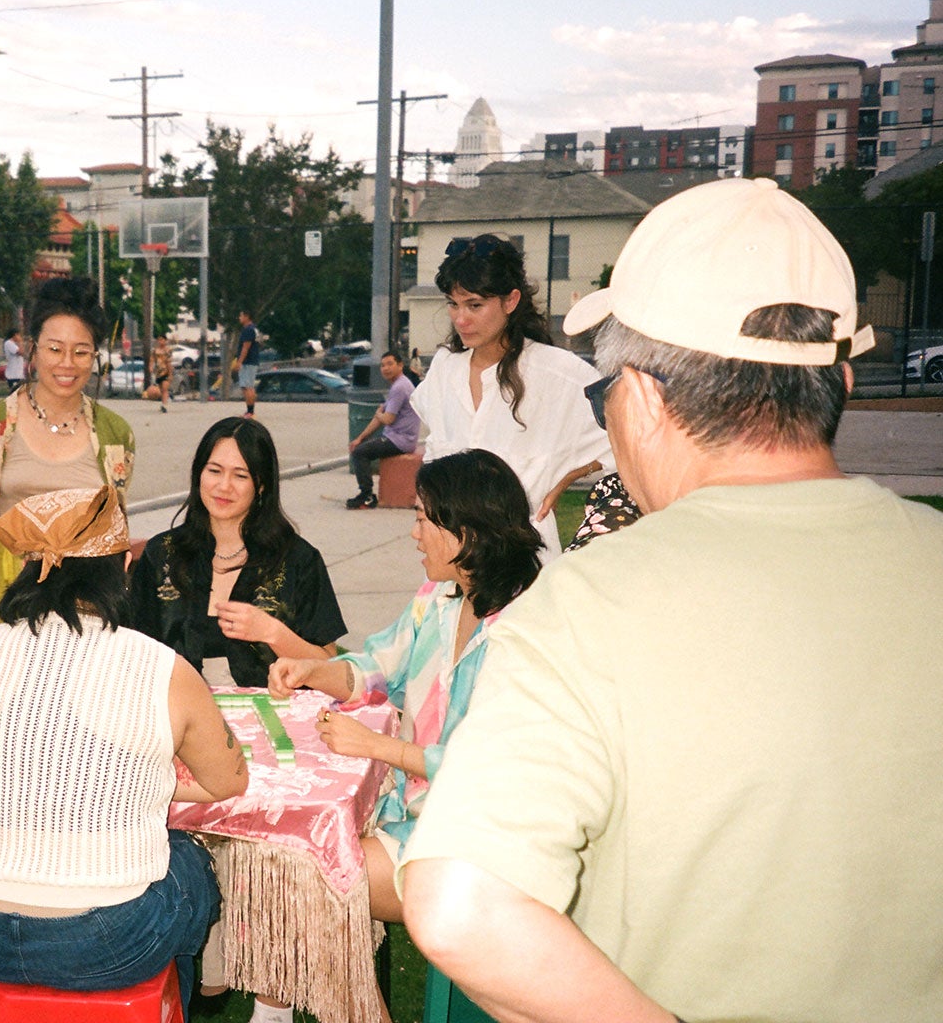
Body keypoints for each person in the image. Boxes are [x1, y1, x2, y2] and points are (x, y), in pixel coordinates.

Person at [401, 178, 943, 1022]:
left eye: (604, 396)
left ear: (643, 400)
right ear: (840, 376)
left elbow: (461, 903)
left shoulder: (578, 611)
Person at [0, 486, 248, 1003]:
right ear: (123, 566)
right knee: (188, 860)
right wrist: (148, 782)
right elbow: (227, 781)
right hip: (107, 939)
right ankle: (180, 1004)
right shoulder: (157, 664)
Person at [267, 449, 540, 1023]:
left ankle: (281, 1014)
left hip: (479, 841)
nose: (413, 532)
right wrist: (313, 670)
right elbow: (377, 668)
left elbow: (496, 766)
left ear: (464, 531)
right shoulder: (437, 597)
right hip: (412, 816)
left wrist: (377, 748)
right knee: (301, 864)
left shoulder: (527, 630)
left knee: (315, 875)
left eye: (422, 518)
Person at [0, 276, 135, 652]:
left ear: (96, 357)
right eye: (55, 349)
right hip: (3, 604)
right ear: (32, 349)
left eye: (82, 352)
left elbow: (114, 532)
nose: (67, 364)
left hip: (87, 614)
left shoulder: (116, 435)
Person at [409, 234, 611, 551]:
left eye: (475, 305)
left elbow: (629, 441)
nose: (461, 319)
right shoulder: (445, 369)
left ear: (511, 301)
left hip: (523, 568)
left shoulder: (558, 374)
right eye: (453, 304)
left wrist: (571, 474)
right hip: (452, 567)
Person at [129, 417, 345, 689]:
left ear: (262, 485)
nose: (224, 486)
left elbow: (330, 669)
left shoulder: (298, 560)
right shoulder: (161, 555)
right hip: (177, 719)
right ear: (199, 474)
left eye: (240, 475)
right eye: (215, 471)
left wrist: (273, 633)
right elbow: (131, 653)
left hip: (273, 719)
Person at [346, 349, 422, 509]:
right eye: (382, 365)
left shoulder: (400, 387)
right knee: (361, 447)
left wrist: (379, 413)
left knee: (360, 453)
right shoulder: (399, 385)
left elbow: (386, 418)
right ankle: (366, 493)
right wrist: (360, 438)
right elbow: (379, 419)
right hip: (398, 437)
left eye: (390, 364)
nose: (385, 368)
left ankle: (366, 495)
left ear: (400, 365)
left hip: (401, 440)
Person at [231, 310, 259, 417]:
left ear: (247, 316)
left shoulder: (248, 330)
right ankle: (250, 410)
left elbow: (245, 347)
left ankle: (250, 411)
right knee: (249, 386)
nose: (239, 317)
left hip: (248, 362)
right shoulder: (254, 329)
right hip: (253, 360)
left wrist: (239, 362)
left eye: (241, 315)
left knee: (247, 387)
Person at [150, 335, 173, 412]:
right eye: (159, 340)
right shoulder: (155, 351)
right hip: (158, 372)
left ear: (165, 341)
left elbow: (169, 362)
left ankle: (165, 406)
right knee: (161, 390)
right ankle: (165, 401)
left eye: (162, 340)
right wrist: (150, 367)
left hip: (166, 371)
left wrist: (170, 374)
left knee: (164, 388)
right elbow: (152, 360)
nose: (160, 341)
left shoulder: (168, 350)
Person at [2, 328, 25, 392]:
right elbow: (21, 352)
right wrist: (20, 342)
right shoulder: (9, 343)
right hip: (13, 375)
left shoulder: (14, 344)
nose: (20, 337)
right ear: (15, 335)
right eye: (19, 335)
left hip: (19, 375)